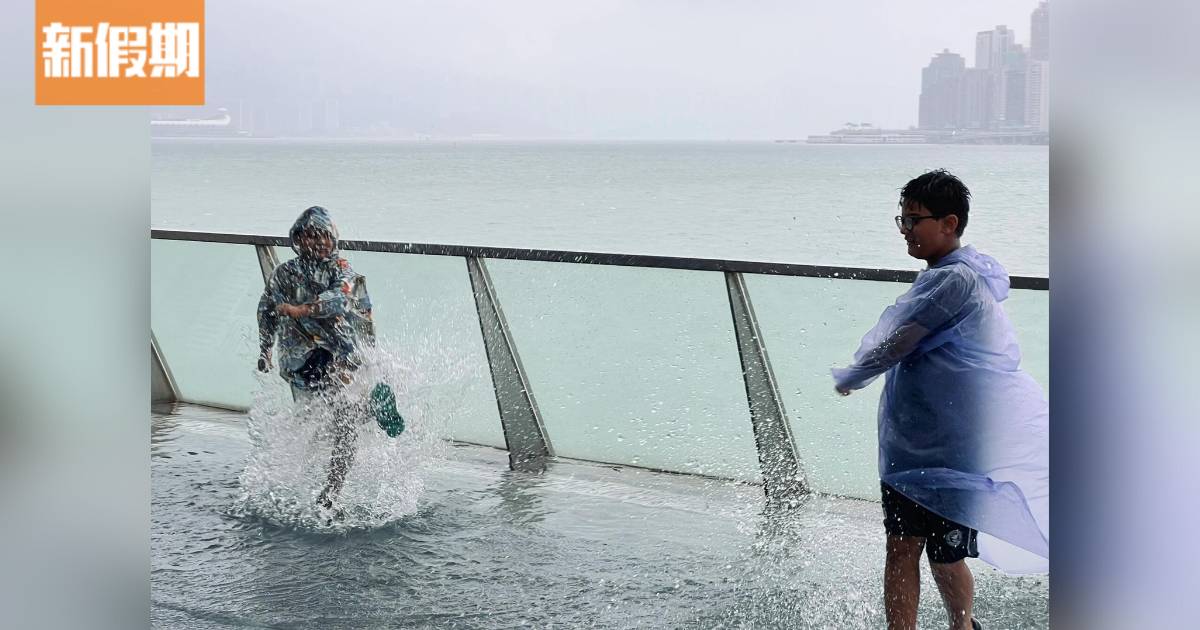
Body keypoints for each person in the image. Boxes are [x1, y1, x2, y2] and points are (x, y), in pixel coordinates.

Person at [832, 170, 1049, 630]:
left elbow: (900, 342)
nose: (907, 230)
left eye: (915, 220)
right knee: (910, 545)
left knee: (935, 551)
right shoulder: (956, 275)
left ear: (949, 222)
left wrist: (853, 375)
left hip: (943, 444)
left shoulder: (955, 282)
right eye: (903, 220)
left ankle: (962, 626)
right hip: (920, 438)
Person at [256, 205, 376, 515]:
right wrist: (265, 348)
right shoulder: (284, 273)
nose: (316, 242)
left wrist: (302, 310)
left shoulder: (341, 269)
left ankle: (332, 487)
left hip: (342, 354)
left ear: (332, 238)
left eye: (322, 236)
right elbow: (266, 309)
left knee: (344, 422)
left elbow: (341, 297)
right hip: (304, 361)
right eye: (308, 236)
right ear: (297, 239)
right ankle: (319, 487)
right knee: (331, 421)